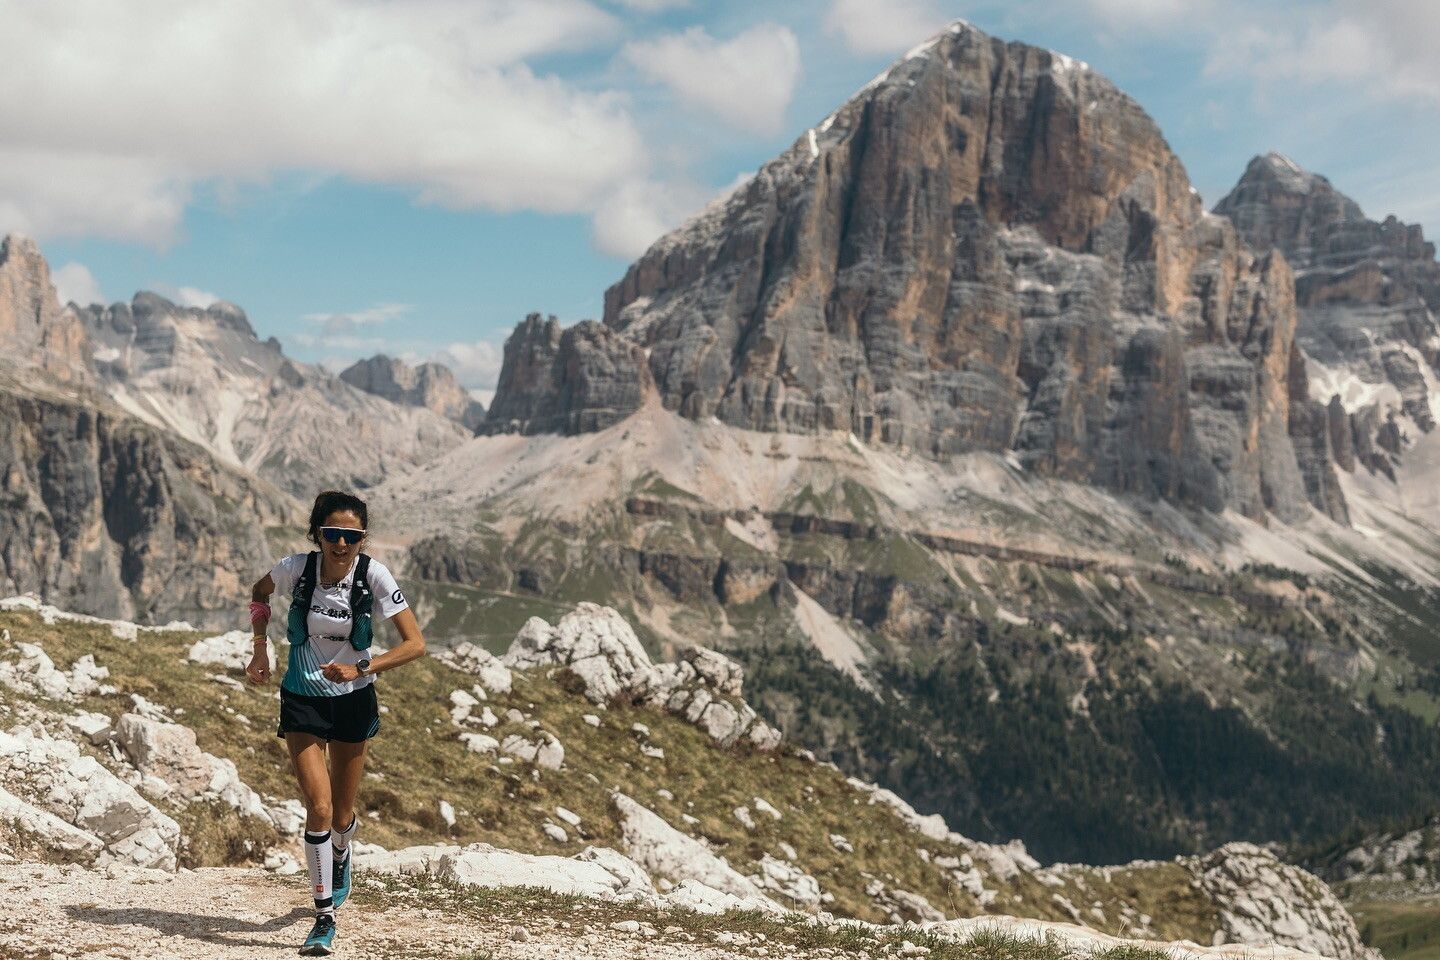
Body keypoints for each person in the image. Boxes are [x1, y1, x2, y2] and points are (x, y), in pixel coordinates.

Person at [246, 490, 426, 956]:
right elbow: (259, 591)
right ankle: (323, 917)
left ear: (362, 539)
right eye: (332, 534)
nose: (341, 544)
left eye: (352, 536)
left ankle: (343, 851)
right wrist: (260, 647)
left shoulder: (374, 576)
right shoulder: (295, 569)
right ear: (318, 534)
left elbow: (415, 645)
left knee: (343, 814)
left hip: (353, 700)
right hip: (301, 697)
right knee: (320, 808)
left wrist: (361, 669)